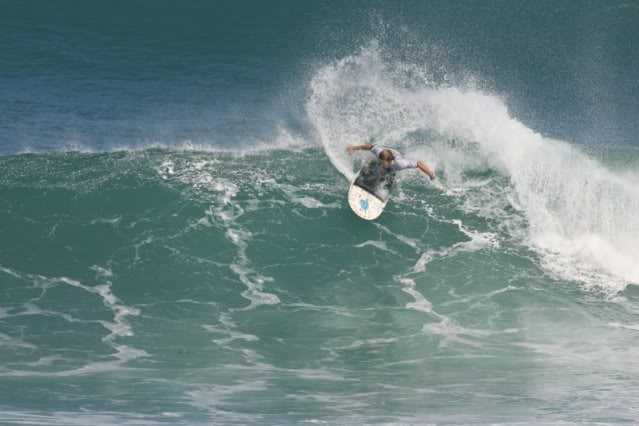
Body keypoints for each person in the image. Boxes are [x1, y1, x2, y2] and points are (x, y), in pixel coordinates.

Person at [345, 143, 436, 200]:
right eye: (380, 161)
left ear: (388, 162)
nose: (381, 164)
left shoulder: (400, 164)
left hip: (394, 160)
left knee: (386, 175)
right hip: (386, 152)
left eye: (383, 163)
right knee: (374, 165)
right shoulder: (379, 152)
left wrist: (431, 174)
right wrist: (353, 148)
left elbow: (419, 164)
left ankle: (380, 185)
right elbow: (369, 146)